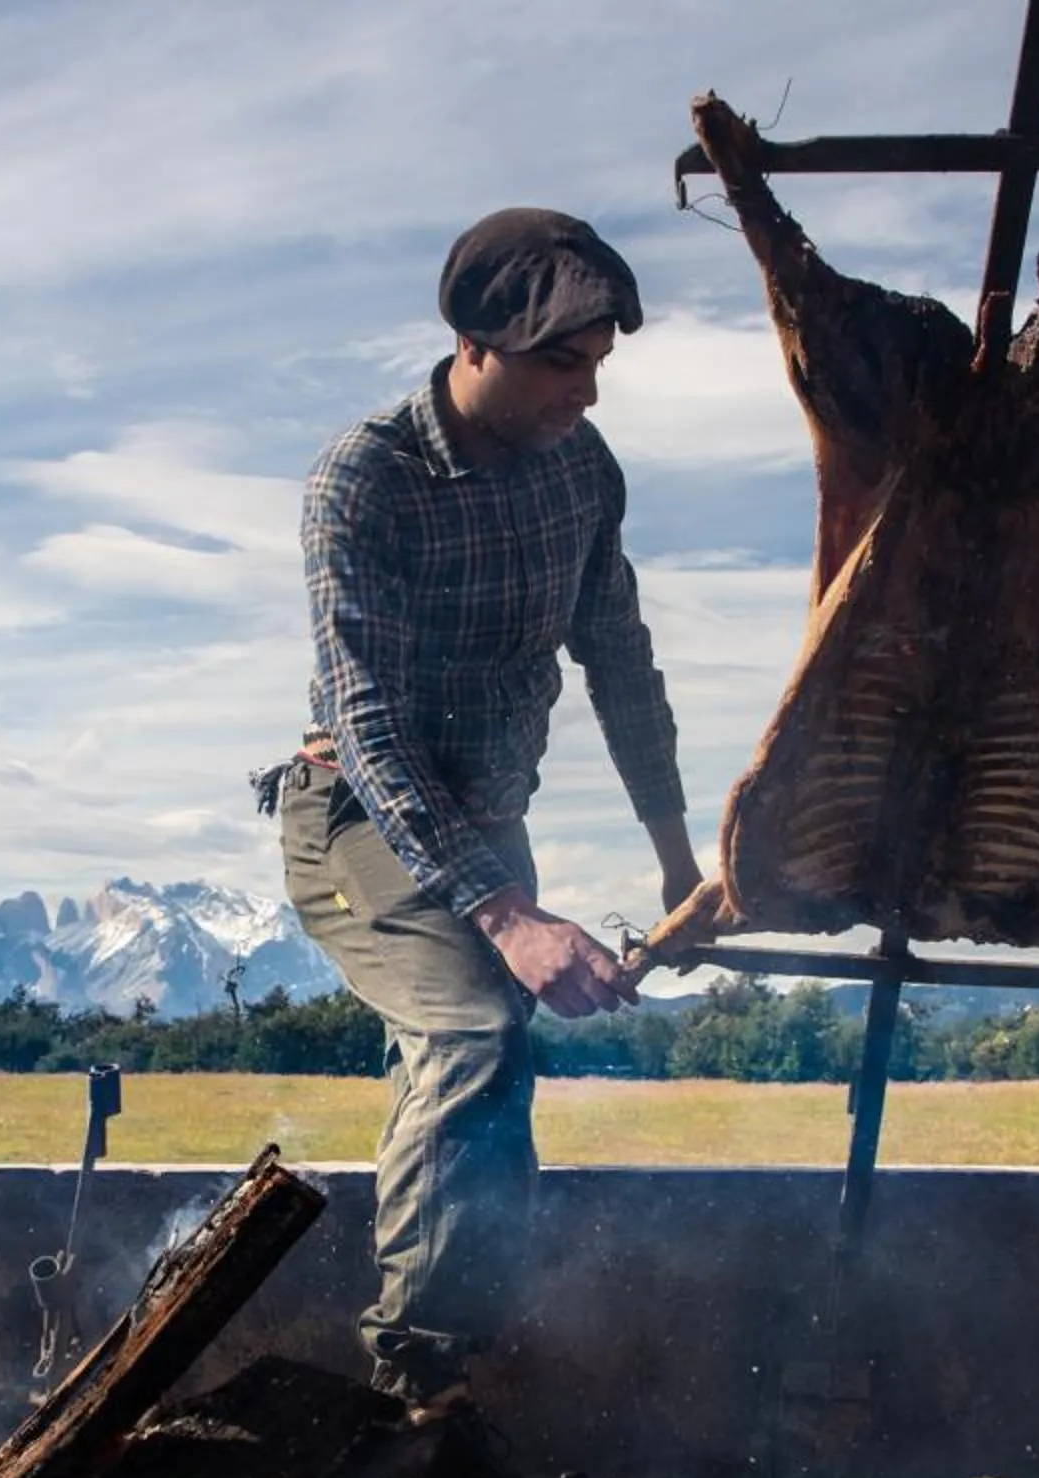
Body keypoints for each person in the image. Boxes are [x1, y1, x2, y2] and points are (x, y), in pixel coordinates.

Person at [255, 206, 701, 1414]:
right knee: (469, 1034)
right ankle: (419, 1389)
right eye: (565, 364)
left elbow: (622, 660)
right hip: (357, 813)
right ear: (474, 343)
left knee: (492, 1080)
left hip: (489, 822)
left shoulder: (581, 472)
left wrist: (678, 861)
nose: (588, 394)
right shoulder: (368, 478)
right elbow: (369, 720)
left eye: (600, 365)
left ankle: (470, 1370)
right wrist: (508, 917)